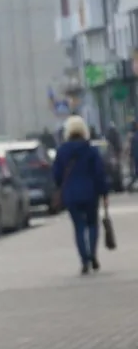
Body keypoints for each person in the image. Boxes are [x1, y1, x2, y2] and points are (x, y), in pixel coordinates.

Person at [53, 115, 109, 274]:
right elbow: (99, 173)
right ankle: (92, 254)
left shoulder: (62, 151)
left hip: (71, 194)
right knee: (92, 224)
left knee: (78, 227)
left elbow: (56, 174)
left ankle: (84, 260)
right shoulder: (91, 150)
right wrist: (104, 193)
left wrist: (60, 187)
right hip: (91, 193)